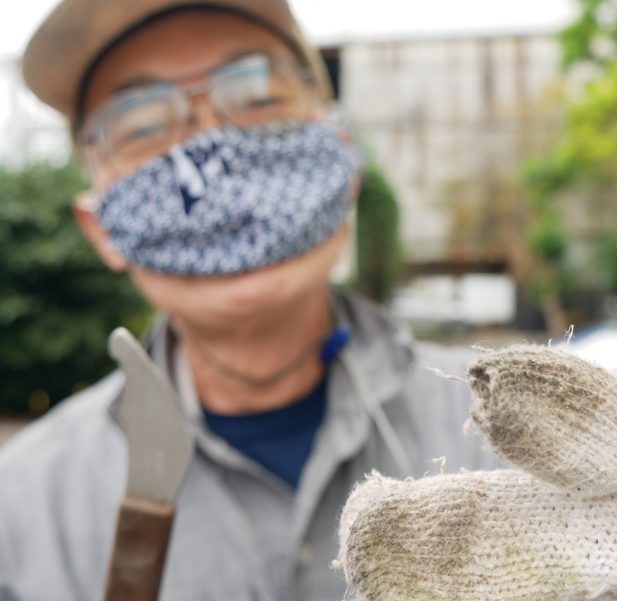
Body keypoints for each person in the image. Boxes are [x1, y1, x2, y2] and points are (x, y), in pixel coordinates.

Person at [0, 2, 497, 599]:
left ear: (344, 163)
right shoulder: (23, 513)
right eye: (142, 124)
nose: (215, 147)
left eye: (259, 96)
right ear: (100, 228)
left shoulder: (509, 434)